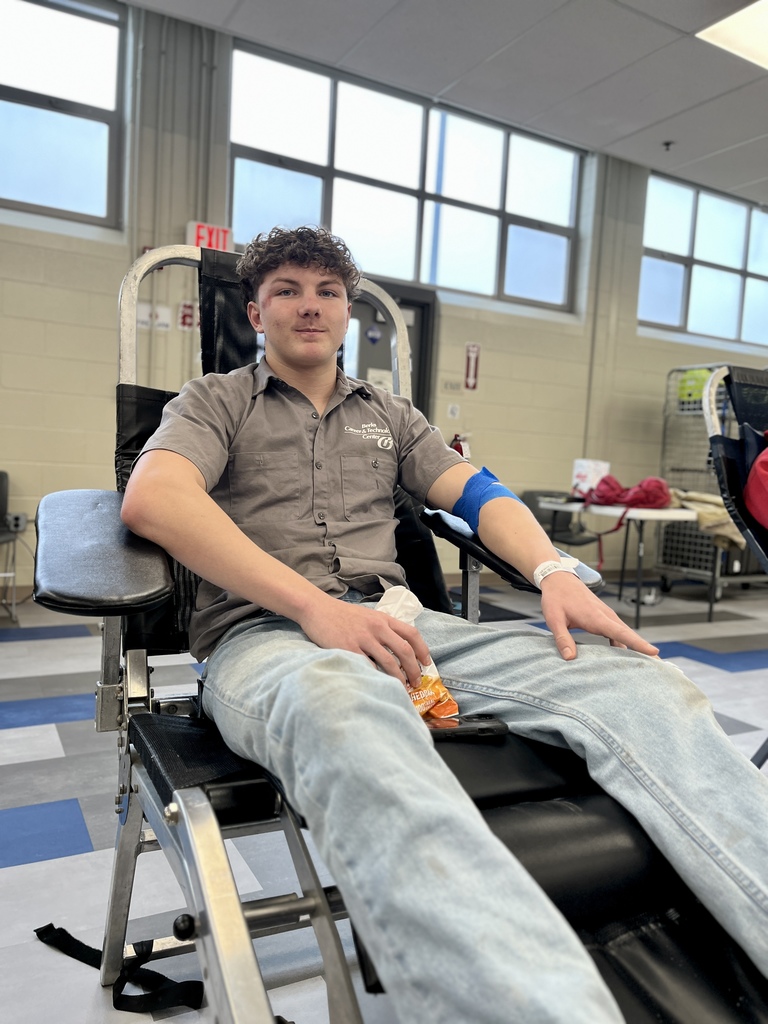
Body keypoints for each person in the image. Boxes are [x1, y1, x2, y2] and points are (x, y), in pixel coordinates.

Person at [121, 226, 768, 1024]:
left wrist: (554, 571)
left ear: (349, 311)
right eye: (286, 290)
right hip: (269, 638)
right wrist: (315, 608)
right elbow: (156, 499)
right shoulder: (214, 402)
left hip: (405, 626)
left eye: (327, 291)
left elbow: (478, 494)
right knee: (351, 709)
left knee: (643, 687)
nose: (309, 305)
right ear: (256, 313)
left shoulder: (390, 415)